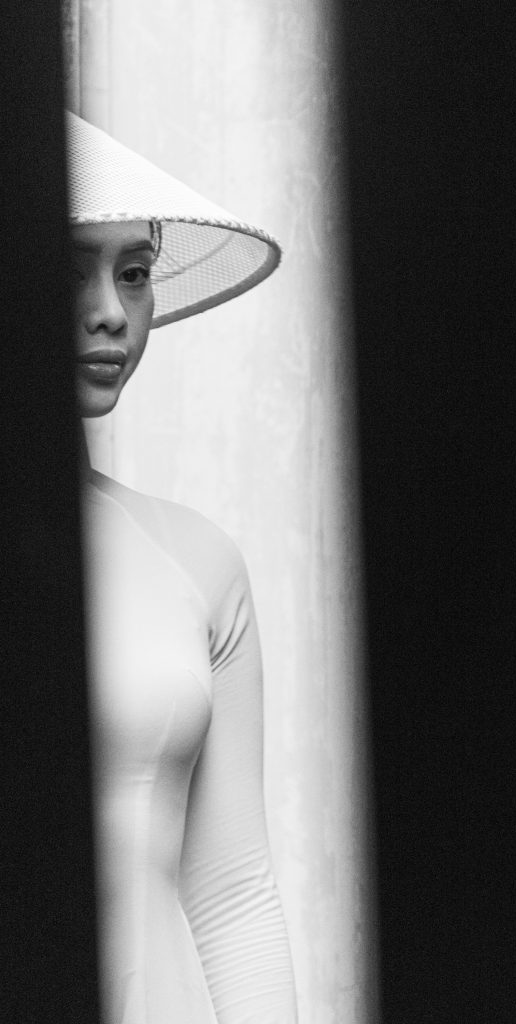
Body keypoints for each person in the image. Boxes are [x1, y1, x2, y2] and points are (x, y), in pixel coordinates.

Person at [67, 111, 298, 1024]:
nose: (110, 312)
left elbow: (234, 895)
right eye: (67, 269)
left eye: (133, 272)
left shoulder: (194, 560)